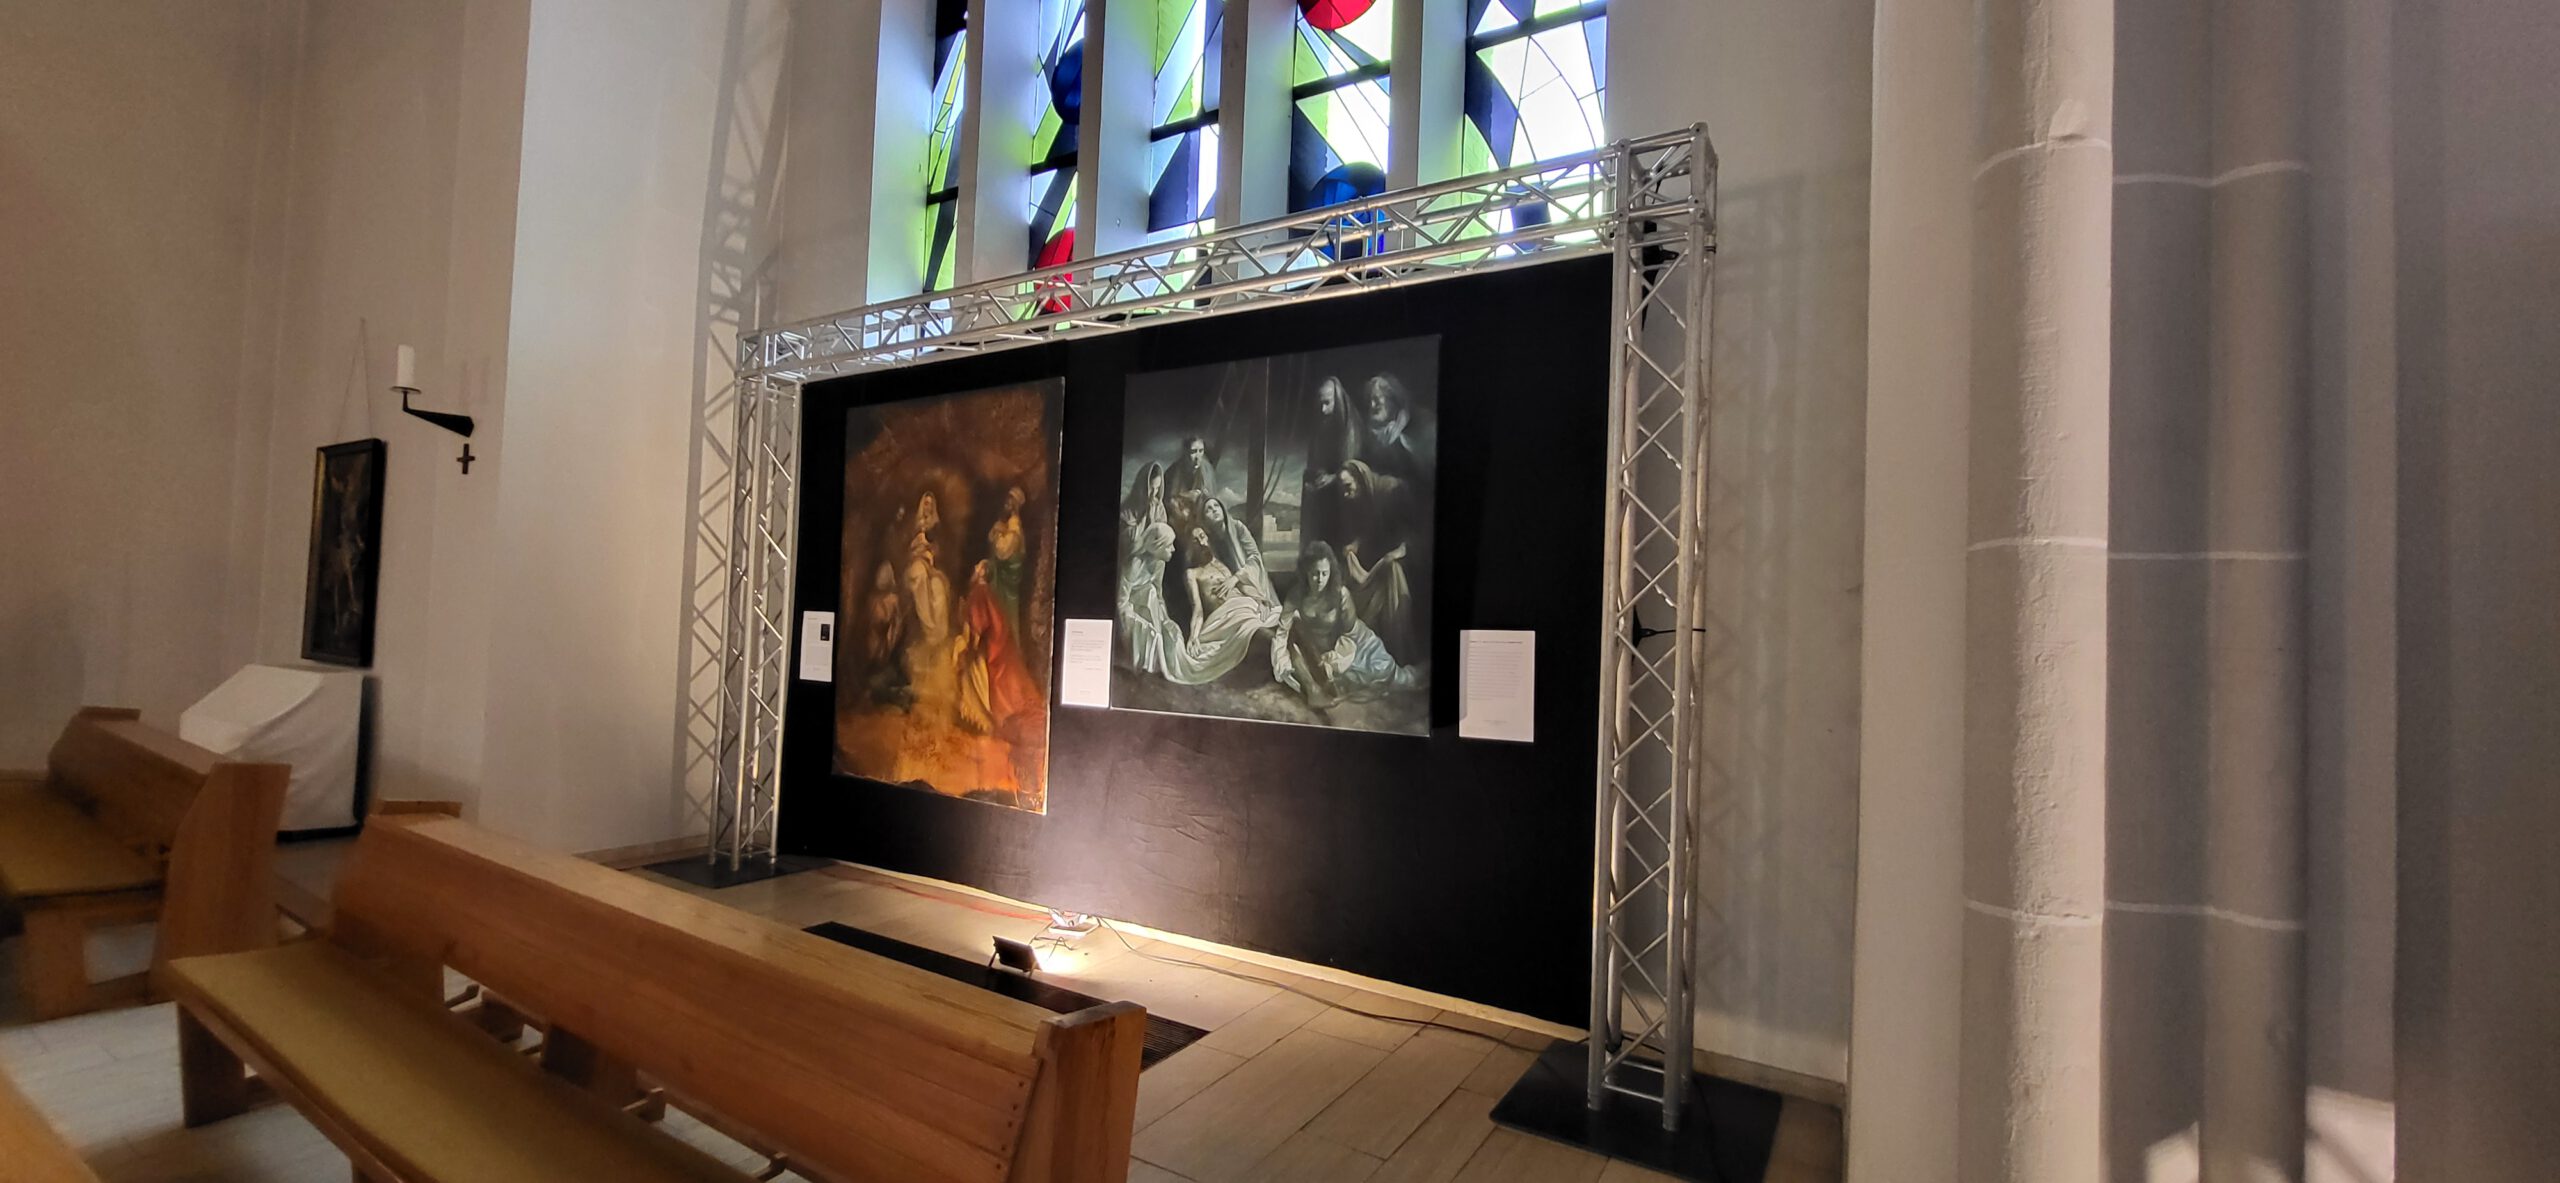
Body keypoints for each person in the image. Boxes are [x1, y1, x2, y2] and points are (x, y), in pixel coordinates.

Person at [1272, 542, 1417, 708]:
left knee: (1384, 673)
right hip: (1318, 647)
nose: (1320, 579)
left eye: (1324, 573)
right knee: (1294, 642)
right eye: (1315, 573)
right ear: (1306, 573)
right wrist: (1280, 658)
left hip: (1352, 645)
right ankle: (1314, 691)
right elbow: (1282, 630)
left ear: (1330, 573)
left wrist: (1335, 657)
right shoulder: (1296, 595)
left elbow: (1350, 633)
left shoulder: (1340, 594)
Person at [1337, 459, 1419, 661]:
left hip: (1403, 561)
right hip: (1377, 560)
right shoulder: (1362, 499)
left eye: (1348, 487)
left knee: (1393, 584)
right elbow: (1369, 529)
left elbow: (1415, 528)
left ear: (1361, 478)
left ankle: (1396, 653)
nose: (1345, 494)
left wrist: (1402, 550)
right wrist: (1356, 544)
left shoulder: (1392, 490)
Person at [956, 560, 1042, 735]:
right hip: (992, 645)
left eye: (977, 567)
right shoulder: (987, 592)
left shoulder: (979, 592)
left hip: (987, 649)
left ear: (982, 572)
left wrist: (970, 647)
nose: (974, 568)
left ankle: (985, 719)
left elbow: (979, 623)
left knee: (975, 677)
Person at [1301, 377, 1358, 551]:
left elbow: (1353, 468)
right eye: (1320, 404)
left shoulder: (1349, 428)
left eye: (1327, 403)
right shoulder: (1320, 426)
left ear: (1337, 401)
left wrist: (1333, 478)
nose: (1323, 409)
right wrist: (1312, 479)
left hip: (1341, 500)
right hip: (1321, 498)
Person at [1200, 497, 1277, 605]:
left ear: (1223, 510)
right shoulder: (1208, 541)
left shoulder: (1238, 527)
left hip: (1250, 580)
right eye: (1208, 509)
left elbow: (1255, 557)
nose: (1214, 510)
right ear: (1204, 519)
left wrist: (1236, 578)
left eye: (1216, 506)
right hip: (1228, 584)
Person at [860, 561, 912, 709]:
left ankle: (891, 692)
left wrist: (892, 634)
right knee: (877, 667)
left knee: (891, 667)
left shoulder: (892, 600)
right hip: (878, 640)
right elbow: (872, 621)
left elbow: (897, 623)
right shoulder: (874, 600)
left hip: (889, 641)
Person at [986, 485, 1028, 634]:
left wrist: (998, 534)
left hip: (1006, 581)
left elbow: (1002, 551)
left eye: (1011, 501)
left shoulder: (1014, 526)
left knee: (1004, 615)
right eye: (1008, 499)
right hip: (999, 578)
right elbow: (991, 538)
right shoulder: (1005, 524)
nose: (1007, 503)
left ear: (1015, 506)